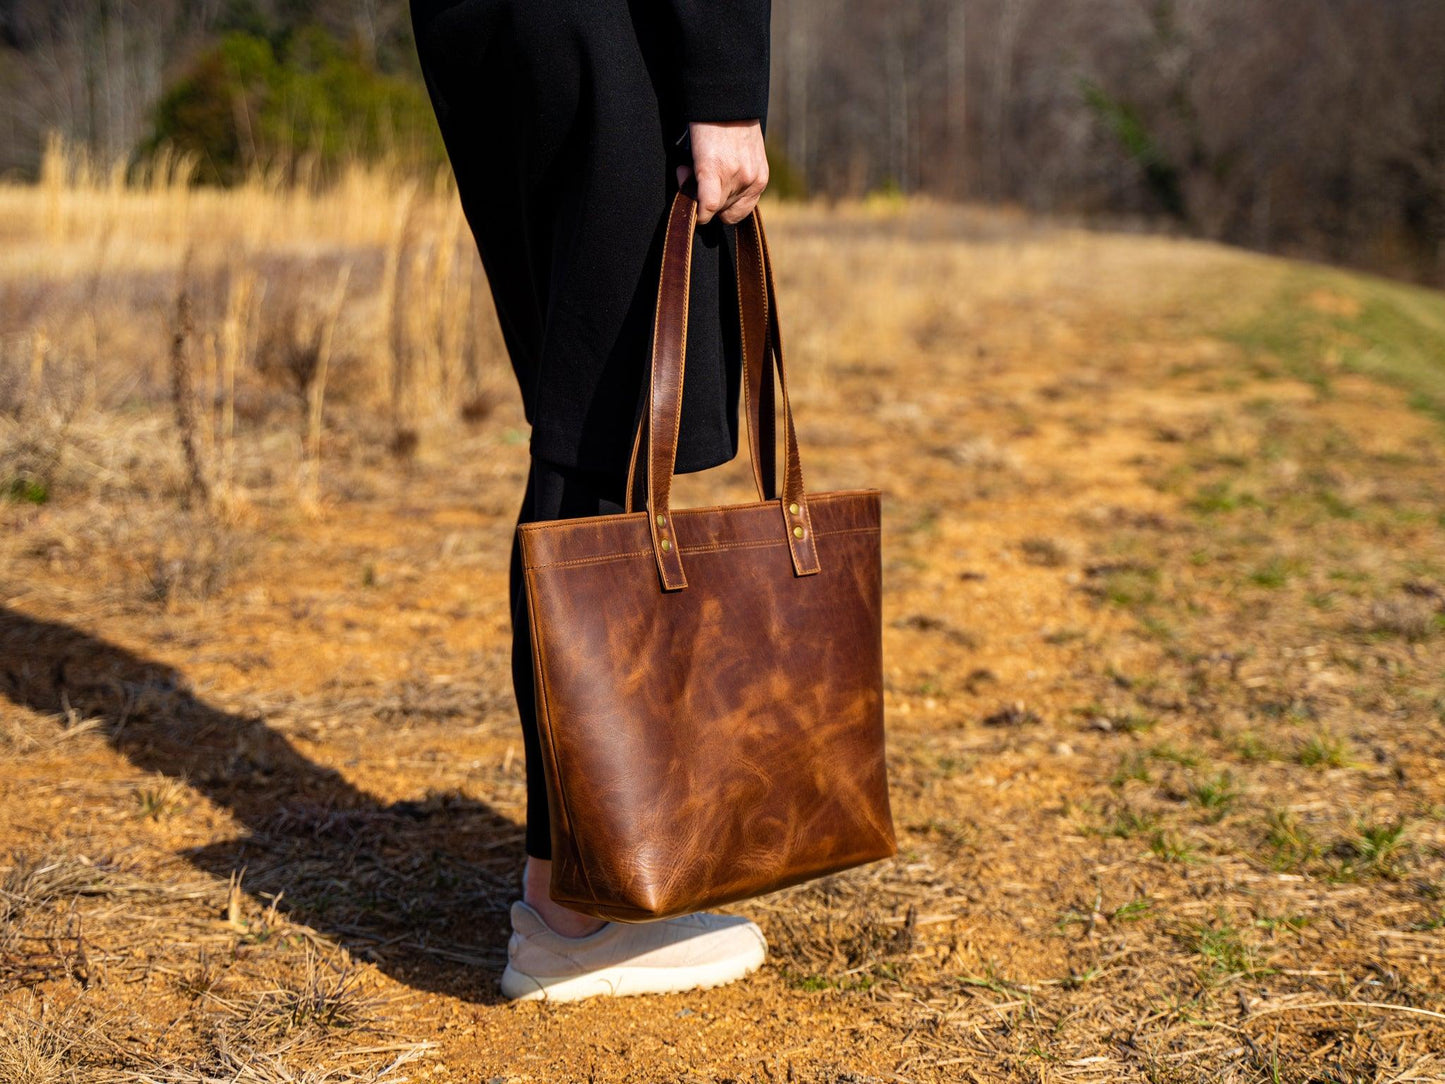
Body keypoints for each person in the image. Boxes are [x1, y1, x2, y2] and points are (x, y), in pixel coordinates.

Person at [409, 0, 773, 1000]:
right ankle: (573, 908)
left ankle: (584, 869)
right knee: (601, 437)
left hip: (487, 27)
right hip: (609, 26)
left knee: (581, 423)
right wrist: (723, 86)